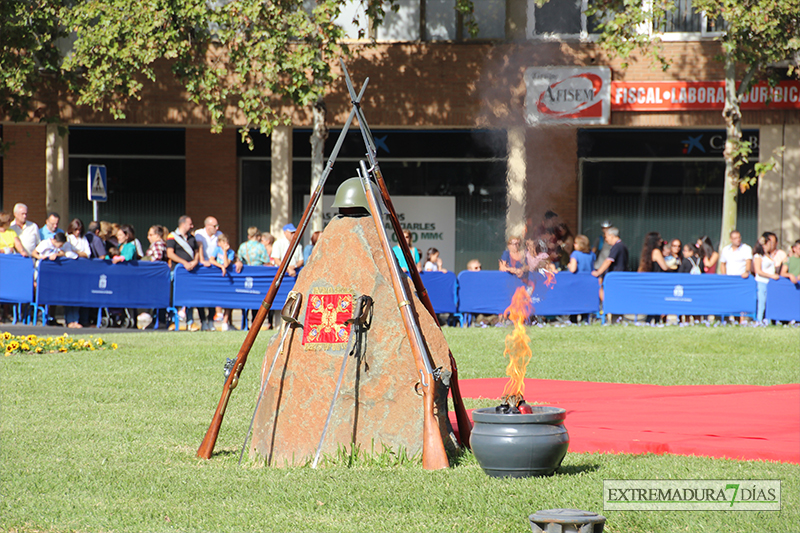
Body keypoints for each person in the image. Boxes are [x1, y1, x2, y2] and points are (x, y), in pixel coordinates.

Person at [166, 216, 204, 330]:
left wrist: (195, 261)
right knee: (175, 297)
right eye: (190, 224)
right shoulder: (172, 237)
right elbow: (170, 254)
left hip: (190, 272)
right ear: (183, 224)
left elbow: (196, 252)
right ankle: (173, 321)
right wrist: (184, 263)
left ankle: (190, 322)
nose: (192, 226)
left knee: (190, 296)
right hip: (177, 271)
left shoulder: (192, 238)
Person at [753, 235, 780, 323]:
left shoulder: (769, 256)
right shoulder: (758, 256)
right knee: (762, 303)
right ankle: (759, 320)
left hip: (770, 283)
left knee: (769, 303)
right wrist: (772, 276)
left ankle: (768, 321)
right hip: (761, 282)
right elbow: (758, 271)